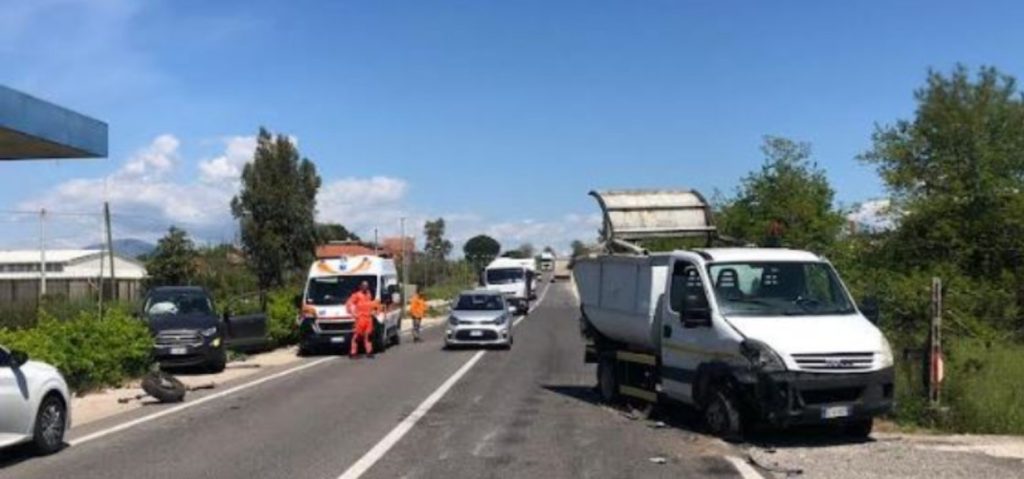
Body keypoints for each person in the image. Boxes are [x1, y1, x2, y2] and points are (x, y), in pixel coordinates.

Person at [346, 281, 379, 358]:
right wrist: (353, 314)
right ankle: (353, 352)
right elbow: (349, 304)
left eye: (366, 286)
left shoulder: (369, 294)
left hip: (369, 318)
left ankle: (369, 351)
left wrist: (374, 311)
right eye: (363, 286)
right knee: (357, 336)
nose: (365, 287)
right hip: (360, 318)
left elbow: (372, 304)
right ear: (360, 287)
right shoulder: (356, 295)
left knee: (368, 336)